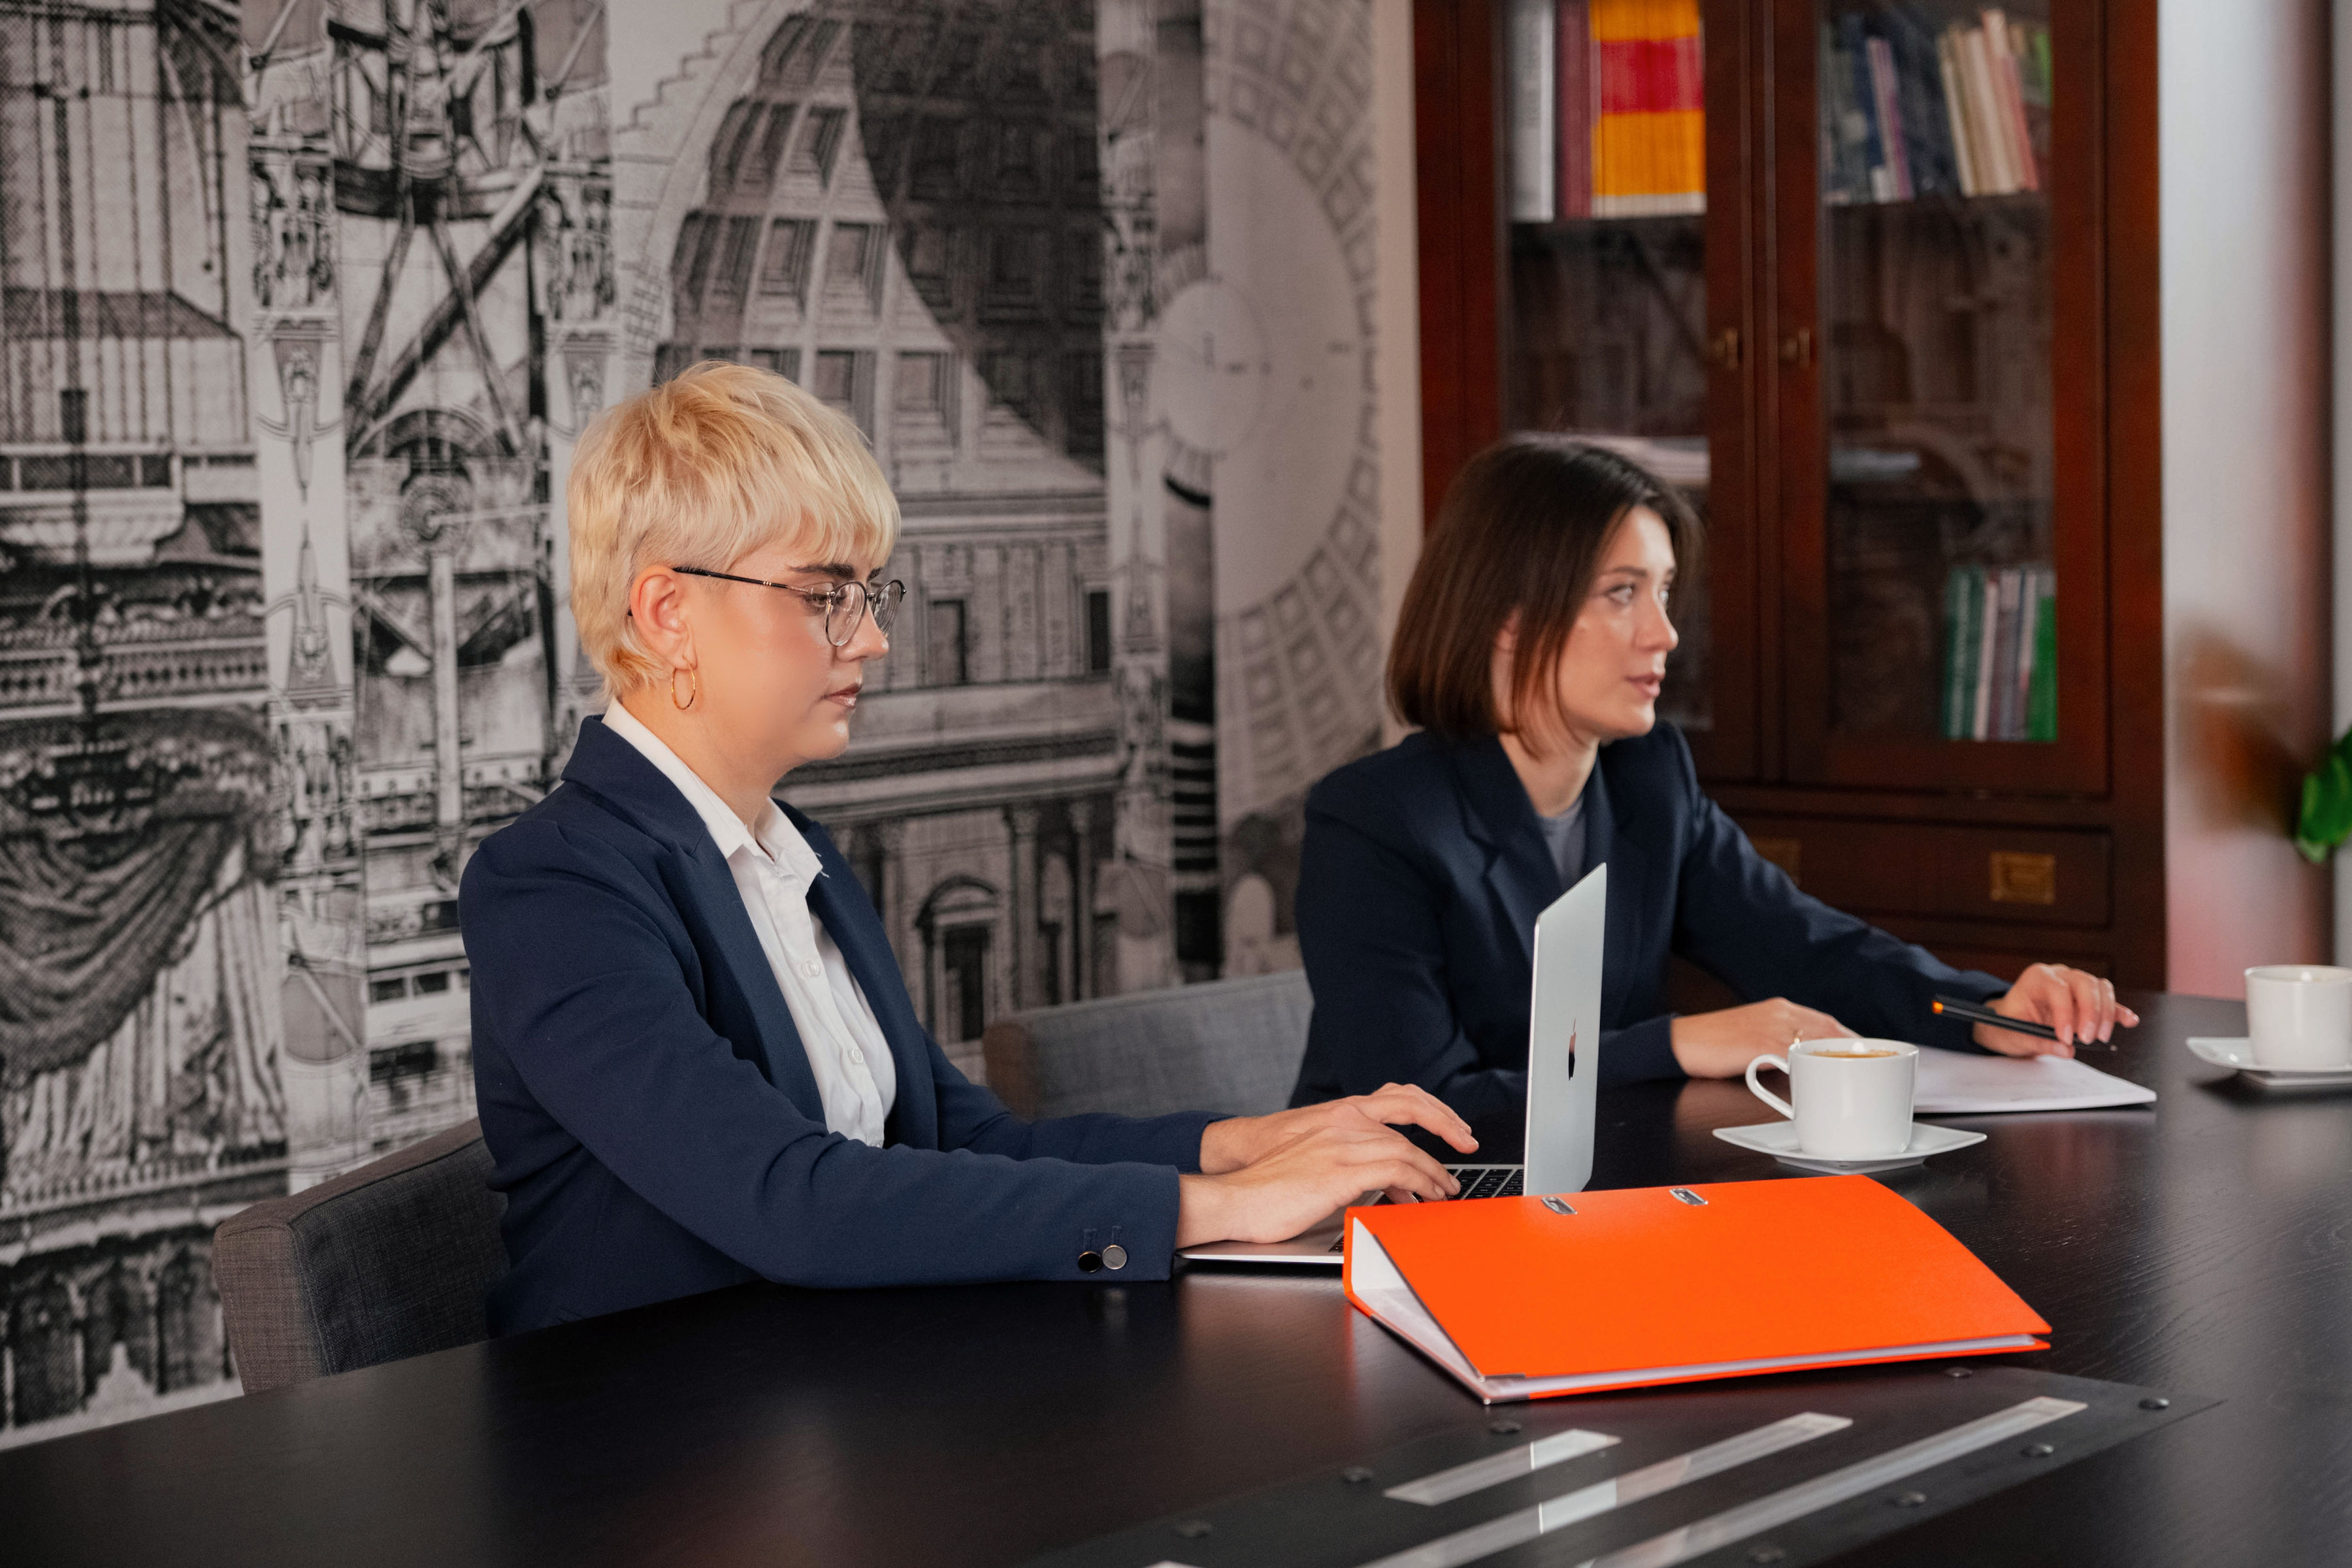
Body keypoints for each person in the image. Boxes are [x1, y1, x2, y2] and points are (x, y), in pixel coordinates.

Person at [462, 363, 1473, 1335]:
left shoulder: (799, 854)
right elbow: (789, 1201)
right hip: (652, 1433)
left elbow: (969, 1143)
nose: (873, 640)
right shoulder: (553, 888)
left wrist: (1246, 1145)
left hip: (839, 1382)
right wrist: (1220, 1208)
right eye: (823, 595)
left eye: (870, 594)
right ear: (668, 613)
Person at [1288, 436, 2134, 1143]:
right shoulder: (1373, 821)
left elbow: (1809, 948)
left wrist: (1985, 1009)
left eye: (1662, 592)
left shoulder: (1650, 777)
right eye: (1622, 594)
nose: (1665, 633)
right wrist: (1679, 1042)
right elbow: (1424, 1106)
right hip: (1388, 1224)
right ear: (1508, 617)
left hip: (1595, 1197)